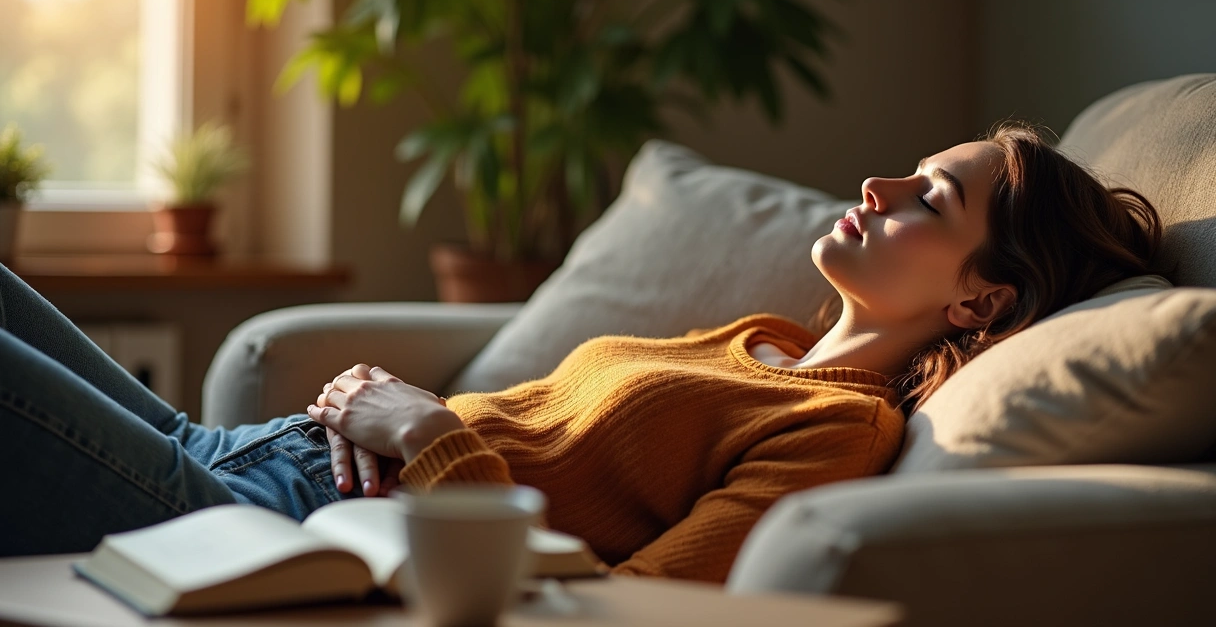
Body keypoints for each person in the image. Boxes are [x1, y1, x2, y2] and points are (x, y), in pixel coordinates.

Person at [0, 123, 1160, 583]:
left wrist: (422, 426)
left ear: (978, 301)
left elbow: (615, 608)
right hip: (246, 449)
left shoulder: (839, 428)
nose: (879, 185)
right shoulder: (761, 345)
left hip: (263, 519)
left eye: (928, 199)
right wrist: (370, 406)